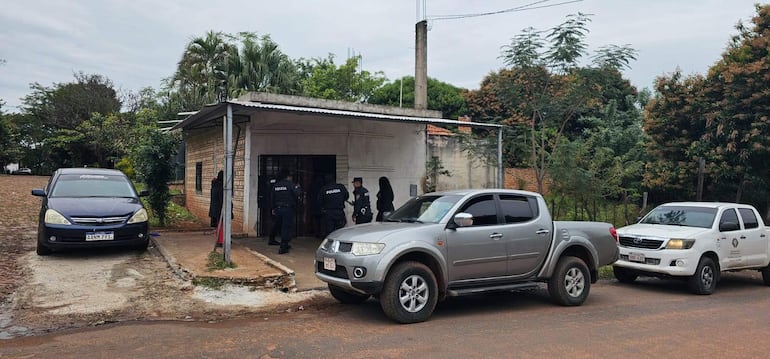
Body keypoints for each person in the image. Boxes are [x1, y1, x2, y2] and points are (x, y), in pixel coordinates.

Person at [271, 170, 301, 254]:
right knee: (286, 227)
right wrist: (298, 187)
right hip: (287, 209)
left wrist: (273, 208)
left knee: (279, 225)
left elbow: (272, 198)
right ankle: (283, 247)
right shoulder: (290, 185)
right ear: (288, 177)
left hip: (278, 209)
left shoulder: (276, 186)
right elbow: (297, 193)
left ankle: (274, 240)